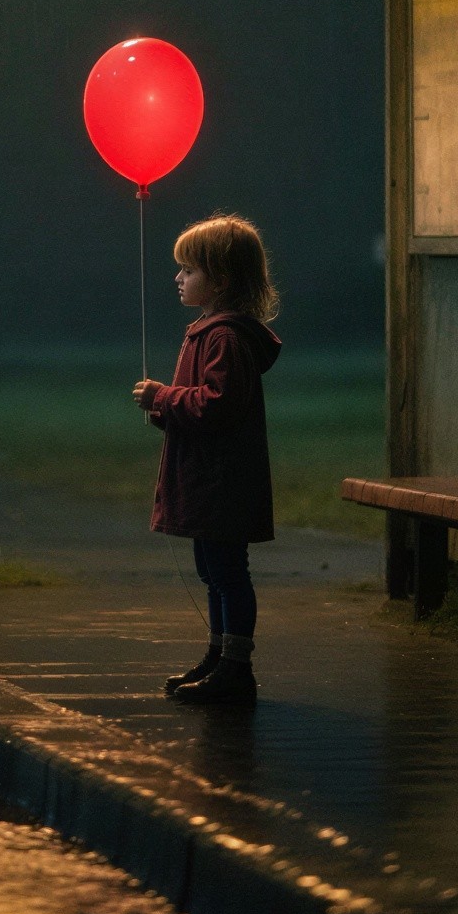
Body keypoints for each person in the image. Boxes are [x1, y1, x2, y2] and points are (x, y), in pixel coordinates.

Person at [132, 214, 281, 706]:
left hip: (222, 480)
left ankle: (238, 668)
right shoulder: (207, 332)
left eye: (189, 270)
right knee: (211, 569)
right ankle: (218, 655)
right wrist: (164, 406)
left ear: (219, 280)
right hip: (206, 476)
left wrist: (164, 397)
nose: (178, 278)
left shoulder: (225, 339)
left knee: (226, 570)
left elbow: (217, 405)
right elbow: (201, 409)